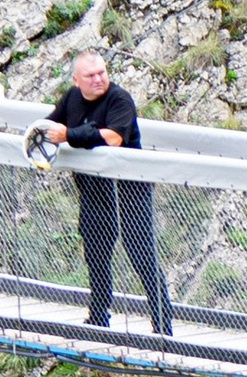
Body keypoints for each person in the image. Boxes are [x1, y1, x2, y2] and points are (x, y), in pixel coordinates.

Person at [30, 50, 172, 339]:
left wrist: (69, 135)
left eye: (102, 73)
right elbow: (49, 127)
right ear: (76, 80)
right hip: (94, 192)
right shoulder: (71, 98)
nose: (98, 79)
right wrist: (36, 146)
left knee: (142, 255)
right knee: (96, 255)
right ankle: (98, 319)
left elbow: (114, 137)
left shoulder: (120, 99)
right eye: (90, 75)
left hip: (129, 193)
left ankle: (163, 325)